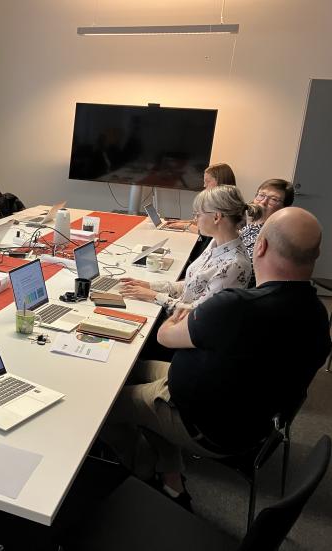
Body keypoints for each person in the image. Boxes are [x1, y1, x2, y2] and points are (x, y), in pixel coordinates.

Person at [100, 207, 331, 509]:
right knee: (134, 370)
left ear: (259, 246)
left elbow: (165, 336)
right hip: (249, 420)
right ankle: (171, 477)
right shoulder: (317, 316)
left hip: (200, 422)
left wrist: (177, 319)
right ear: (314, 255)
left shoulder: (236, 307)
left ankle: (142, 472)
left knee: (102, 408)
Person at [120, 185, 257, 313]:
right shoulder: (216, 243)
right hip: (177, 314)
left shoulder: (234, 264)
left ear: (216, 217)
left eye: (198, 214)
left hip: (187, 328)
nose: (195, 219)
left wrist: (153, 296)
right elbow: (193, 285)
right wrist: (150, 285)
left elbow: (198, 313)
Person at [164, 162, 236, 233]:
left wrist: (186, 226)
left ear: (221, 182)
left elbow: (209, 232)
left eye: (208, 181)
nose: (204, 185)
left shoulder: (224, 206)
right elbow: (207, 221)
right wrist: (182, 222)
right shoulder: (223, 200)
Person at [239, 178, 295, 263]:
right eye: (261, 195)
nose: (263, 202)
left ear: (284, 208)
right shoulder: (248, 224)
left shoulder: (274, 236)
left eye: (274, 199)